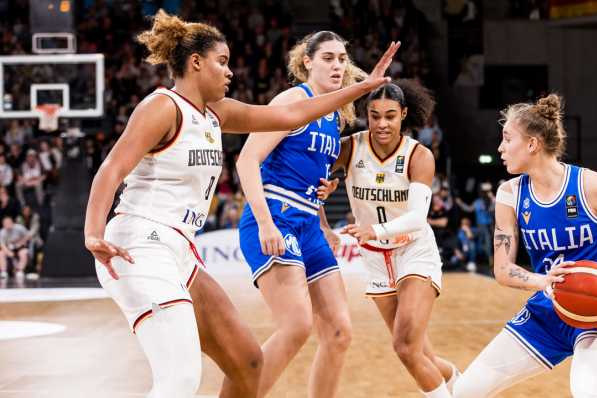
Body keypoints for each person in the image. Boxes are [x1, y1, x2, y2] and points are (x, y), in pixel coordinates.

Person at [84, 11, 399, 398]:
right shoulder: (163, 107)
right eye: (222, 62)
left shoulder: (218, 112)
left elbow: (290, 115)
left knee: (248, 362)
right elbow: (111, 169)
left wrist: (361, 88)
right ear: (195, 63)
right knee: (180, 378)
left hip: (181, 248)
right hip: (140, 245)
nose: (230, 71)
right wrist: (92, 232)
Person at [453, 94, 597, 398]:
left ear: (532, 144)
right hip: (549, 308)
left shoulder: (593, 186)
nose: (500, 148)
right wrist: (545, 281)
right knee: (465, 391)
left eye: (507, 139)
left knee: (587, 394)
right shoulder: (509, 195)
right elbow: (503, 270)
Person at [237, 31, 376, 398]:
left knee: (339, 332)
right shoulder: (293, 100)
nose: (337, 65)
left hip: (309, 225)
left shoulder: (333, 115)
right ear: (307, 62)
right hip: (274, 218)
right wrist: (265, 221)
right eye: (328, 57)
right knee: (296, 326)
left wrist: (325, 222)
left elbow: (312, 182)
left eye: (343, 59)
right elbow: (247, 159)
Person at [323, 80, 460, 398]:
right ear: (366, 116)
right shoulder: (350, 147)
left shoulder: (419, 155)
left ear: (404, 115)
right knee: (420, 355)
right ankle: (462, 383)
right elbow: (311, 182)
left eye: (390, 116)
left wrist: (376, 230)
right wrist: (323, 218)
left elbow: (416, 216)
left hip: (413, 250)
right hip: (375, 259)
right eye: (374, 116)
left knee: (404, 346)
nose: (381, 123)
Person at [0, 215, 31, 280]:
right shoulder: (2, 232)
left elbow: (28, 236)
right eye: (6, 223)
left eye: (9, 223)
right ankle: (3, 271)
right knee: (1, 254)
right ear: (3, 224)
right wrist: (8, 252)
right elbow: (2, 245)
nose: (8, 225)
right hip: (9, 248)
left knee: (24, 253)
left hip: (20, 247)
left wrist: (21, 242)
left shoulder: (19, 228)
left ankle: (20, 270)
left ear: (12, 222)